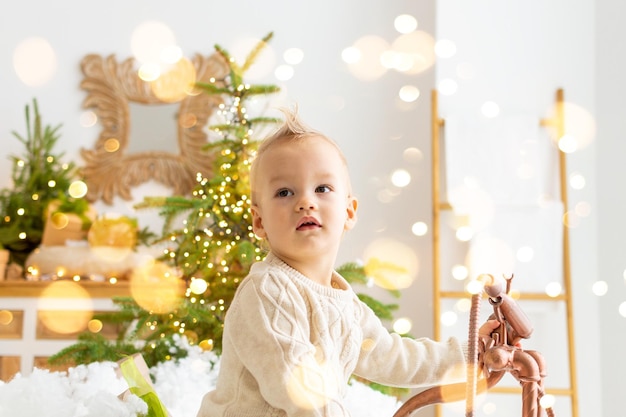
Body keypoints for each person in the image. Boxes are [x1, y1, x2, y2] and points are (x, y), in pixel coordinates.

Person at [196, 109, 499, 417]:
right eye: (284, 192)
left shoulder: (343, 302)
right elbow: (303, 392)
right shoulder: (266, 292)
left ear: (349, 212)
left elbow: (392, 356)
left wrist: (469, 353)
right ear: (259, 221)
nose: (305, 202)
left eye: (322, 189)